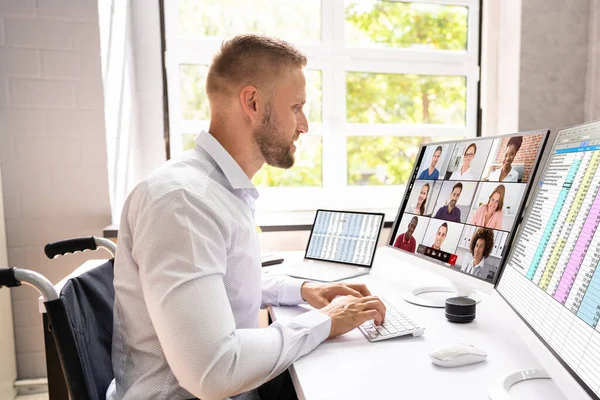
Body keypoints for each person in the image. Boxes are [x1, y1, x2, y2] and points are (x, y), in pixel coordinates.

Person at [107, 34, 386, 400]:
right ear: (253, 103)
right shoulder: (183, 202)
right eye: (296, 107)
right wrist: (327, 320)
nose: (304, 125)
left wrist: (303, 291)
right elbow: (214, 372)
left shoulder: (215, 189)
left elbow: (222, 277)